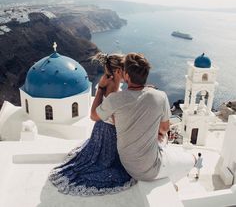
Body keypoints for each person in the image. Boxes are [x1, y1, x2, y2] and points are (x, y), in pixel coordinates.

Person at [91, 52, 195, 184]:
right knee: (192, 159)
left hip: (127, 162)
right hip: (149, 169)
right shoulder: (160, 96)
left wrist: (100, 87)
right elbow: (164, 129)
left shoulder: (115, 99)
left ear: (126, 75)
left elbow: (94, 116)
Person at [48, 53, 135, 196]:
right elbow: (112, 120)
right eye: (126, 69)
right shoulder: (115, 93)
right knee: (110, 166)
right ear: (119, 71)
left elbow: (96, 110)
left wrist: (100, 88)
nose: (128, 73)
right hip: (109, 134)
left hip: (99, 130)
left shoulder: (105, 85)